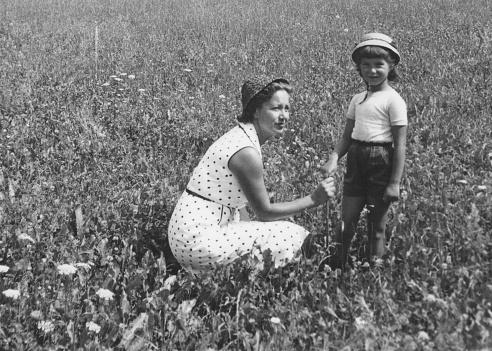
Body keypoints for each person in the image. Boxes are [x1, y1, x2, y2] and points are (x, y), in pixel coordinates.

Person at [168, 76, 336, 272]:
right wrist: (313, 199)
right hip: (196, 239)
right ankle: (323, 272)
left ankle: (246, 274)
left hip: (188, 232)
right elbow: (265, 213)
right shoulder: (245, 152)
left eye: (287, 108)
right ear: (255, 111)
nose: (284, 116)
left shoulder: (241, 136)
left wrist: (251, 233)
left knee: (268, 234)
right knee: (292, 234)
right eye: (275, 108)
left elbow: (240, 206)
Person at [320, 33, 407, 271]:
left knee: (376, 227)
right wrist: (335, 157)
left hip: (381, 159)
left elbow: (400, 144)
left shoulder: (394, 100)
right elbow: (347, 135)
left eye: (379, 64)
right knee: (346, 221)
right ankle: (336, 266)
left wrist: (394, 183)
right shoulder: (357, 99)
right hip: (356, 159)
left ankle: (375, 275)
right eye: (365, 65)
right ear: (359, 68)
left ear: (391, 66)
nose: (372, 70)